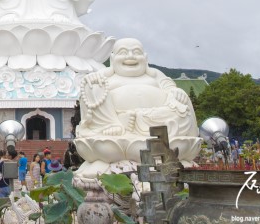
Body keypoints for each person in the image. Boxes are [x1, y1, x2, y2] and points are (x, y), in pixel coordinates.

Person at [75, 38, 200, 176]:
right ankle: (112, 124)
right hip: (113, 128)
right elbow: (88, 90)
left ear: (145, 58)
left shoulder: (156, 75)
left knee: (182, 103)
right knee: (92, 87)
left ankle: (133, 123)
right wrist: (94, 80)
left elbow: (170, 87)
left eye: (136, 52)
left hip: (157, 122)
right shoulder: (106, 77)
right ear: (112, 59)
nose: (130, 56)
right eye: (123, 52)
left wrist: (176, 93)